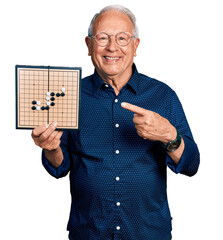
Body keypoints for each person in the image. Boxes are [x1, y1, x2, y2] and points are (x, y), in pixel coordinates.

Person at [32, 5, 200, 240]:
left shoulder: (162, 96)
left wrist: (170, 135)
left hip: (148, 233)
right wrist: (51, 149)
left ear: (135, 46)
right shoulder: (68, 95)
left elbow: (191, 165)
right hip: (89, 232)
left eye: (122, 38)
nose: (112, 47)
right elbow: (60, 167)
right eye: (102, 38)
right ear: (89, 45)